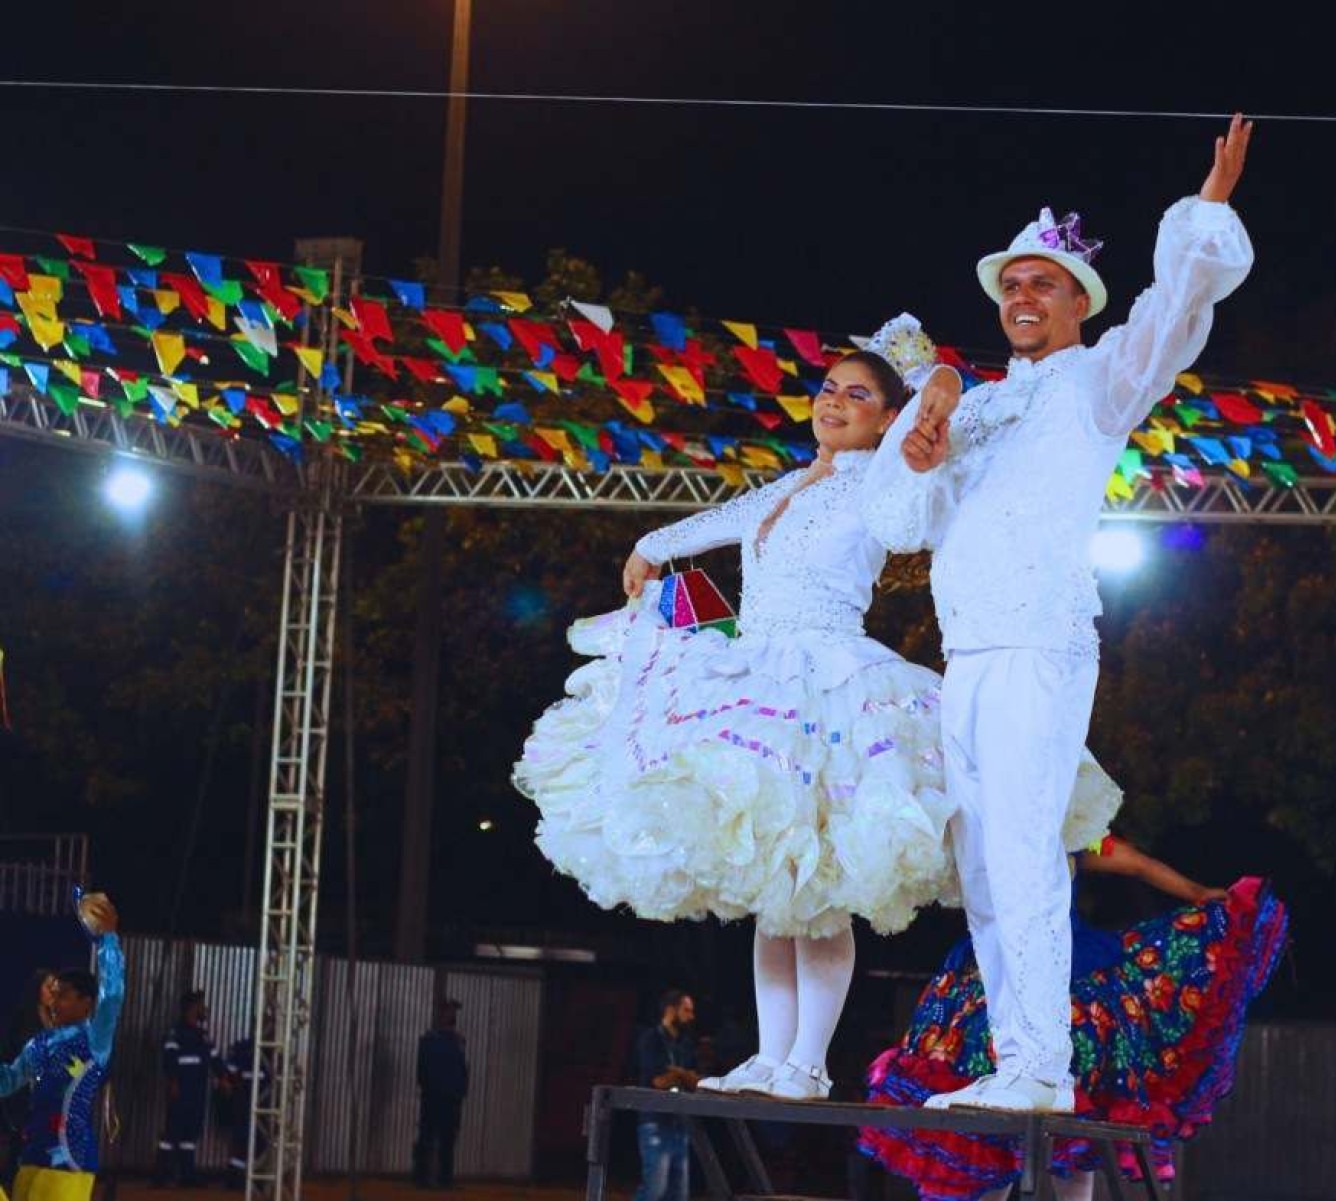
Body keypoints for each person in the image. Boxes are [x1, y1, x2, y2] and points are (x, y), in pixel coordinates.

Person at [513, 316, 1121, 1101]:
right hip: (757, 670)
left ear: (885, 414)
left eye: (859, 394)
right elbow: (719, 521)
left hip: (829, 681)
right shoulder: (792, 482)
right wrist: (654, 545)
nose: (835, 402)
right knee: (777, 887)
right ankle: (774, 1054)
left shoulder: (884, 481)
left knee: (820, 881)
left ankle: (808, 1060)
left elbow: (911, 513)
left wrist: (929, 403)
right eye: (830, 388)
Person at [861, 118, 1256, 1114]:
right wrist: (925, 424)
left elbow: (1173, 315)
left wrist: (1207, 206)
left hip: (1040, 644)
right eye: (1011, 285)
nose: (1022, 297)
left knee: (1029, 848)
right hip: (969, 654)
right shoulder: (979, 405)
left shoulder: (1095, 381)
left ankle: (1042, 1069)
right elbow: (906, 518)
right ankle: (1020, 1059)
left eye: (1042, 283)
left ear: (1078, 302)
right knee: (985, 864)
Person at [858, 837, 1286, 1201]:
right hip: (990, 980)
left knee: (1080, 1110)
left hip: (1070, 976)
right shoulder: (981, 824)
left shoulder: (1072, 832)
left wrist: (1194, 891)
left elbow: (1135, 863)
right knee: (977, 1119)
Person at [0, 893, 123, 1201]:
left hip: (69, 1162)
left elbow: (113, 994)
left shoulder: (95, 1038)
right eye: (53, 994)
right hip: (31, 1159)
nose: (54, 1001)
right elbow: (6, 1082)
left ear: (86, 1003)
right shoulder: (38, 1043)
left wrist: (108, 939)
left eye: (64, 995)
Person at [631, 990, 698, 1201]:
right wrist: (683, 1076)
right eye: (686, 1010)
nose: (691, 1016)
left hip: (680, 1125)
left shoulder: (685, 1043)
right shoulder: (651, 1038)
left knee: (678, 1195)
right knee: (654, 1191)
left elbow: (696, 1081)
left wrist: (676, 1073)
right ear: (671, 1010)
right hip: (656, 1123)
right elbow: (658, 1082)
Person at [152, 989, 218, 1188]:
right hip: (181, 1089)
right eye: (200, 1005)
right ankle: (161, 1176)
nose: (204, 1009)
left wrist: (225, 1078)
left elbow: (214, 1059)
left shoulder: (202, 1036)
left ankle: (187, 1175)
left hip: (197, 1091)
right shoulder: (176, 1033)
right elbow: (170, 1059)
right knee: (173, 1132)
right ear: (191, 1008)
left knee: (190, 1133)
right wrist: (173, 1082)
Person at [1, 971, 54, 1192]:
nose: (53, 991)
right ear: (36, 990)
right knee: (20, 1151)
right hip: (23, 1098)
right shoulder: (25, 1019)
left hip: (47, 1100)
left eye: (56, 986)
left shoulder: (57, 1021)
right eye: (48, 986)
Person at [412, 999, 468, 1190]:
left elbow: (463, 1069)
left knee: (447, 1139)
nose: (451, 1016)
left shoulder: (458, 1041)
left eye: (453, 1012)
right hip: (434, 1095)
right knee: (428, 1137)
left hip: (450, 1096)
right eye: (448, 1012)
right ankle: (422, 1178)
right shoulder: (431, 1039)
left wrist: (460, 1091)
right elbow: (422, 1069)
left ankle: (445, 1179)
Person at [217, 1035, 257, 1189]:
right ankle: (235, 1178)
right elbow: (229, 1072)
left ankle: (253, 1178)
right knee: (240, 1138)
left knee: (256, 1140)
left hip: (263, 1102)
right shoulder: (243, 1048)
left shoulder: (274, 1050)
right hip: (243, 1100)